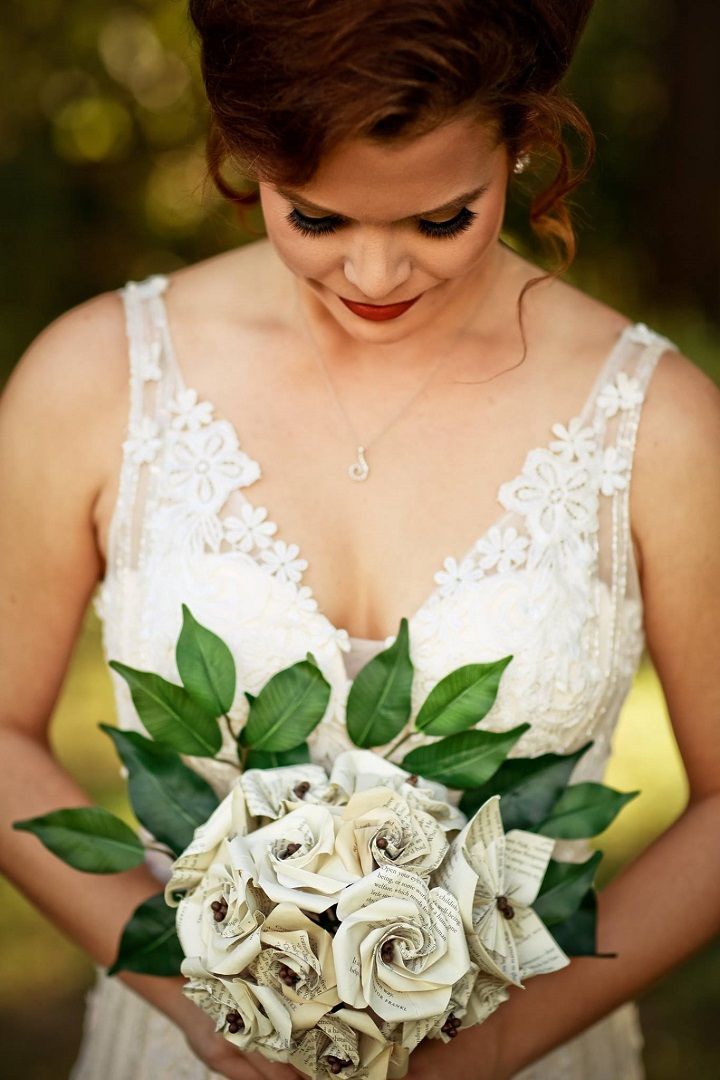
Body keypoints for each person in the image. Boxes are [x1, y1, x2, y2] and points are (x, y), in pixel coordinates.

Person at [1, 1, 718, 1077]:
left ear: (524, 142)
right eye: (316, 219)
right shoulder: (93, 380)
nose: (375, 279)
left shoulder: (659, 424)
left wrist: (493, 1048)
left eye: (439, 220)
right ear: (249, 159)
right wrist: (198, 1008)